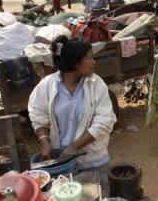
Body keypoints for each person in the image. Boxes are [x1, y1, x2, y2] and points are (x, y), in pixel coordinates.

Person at [28, 37, 117, 173]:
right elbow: (38, 115)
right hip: (62, 163)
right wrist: (44, 141)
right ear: (76, 62)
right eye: (90, 58)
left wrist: (74, 147)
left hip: (92, 161)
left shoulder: (96, 84)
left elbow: (104, 122)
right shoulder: (47, 85)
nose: (94, 62)